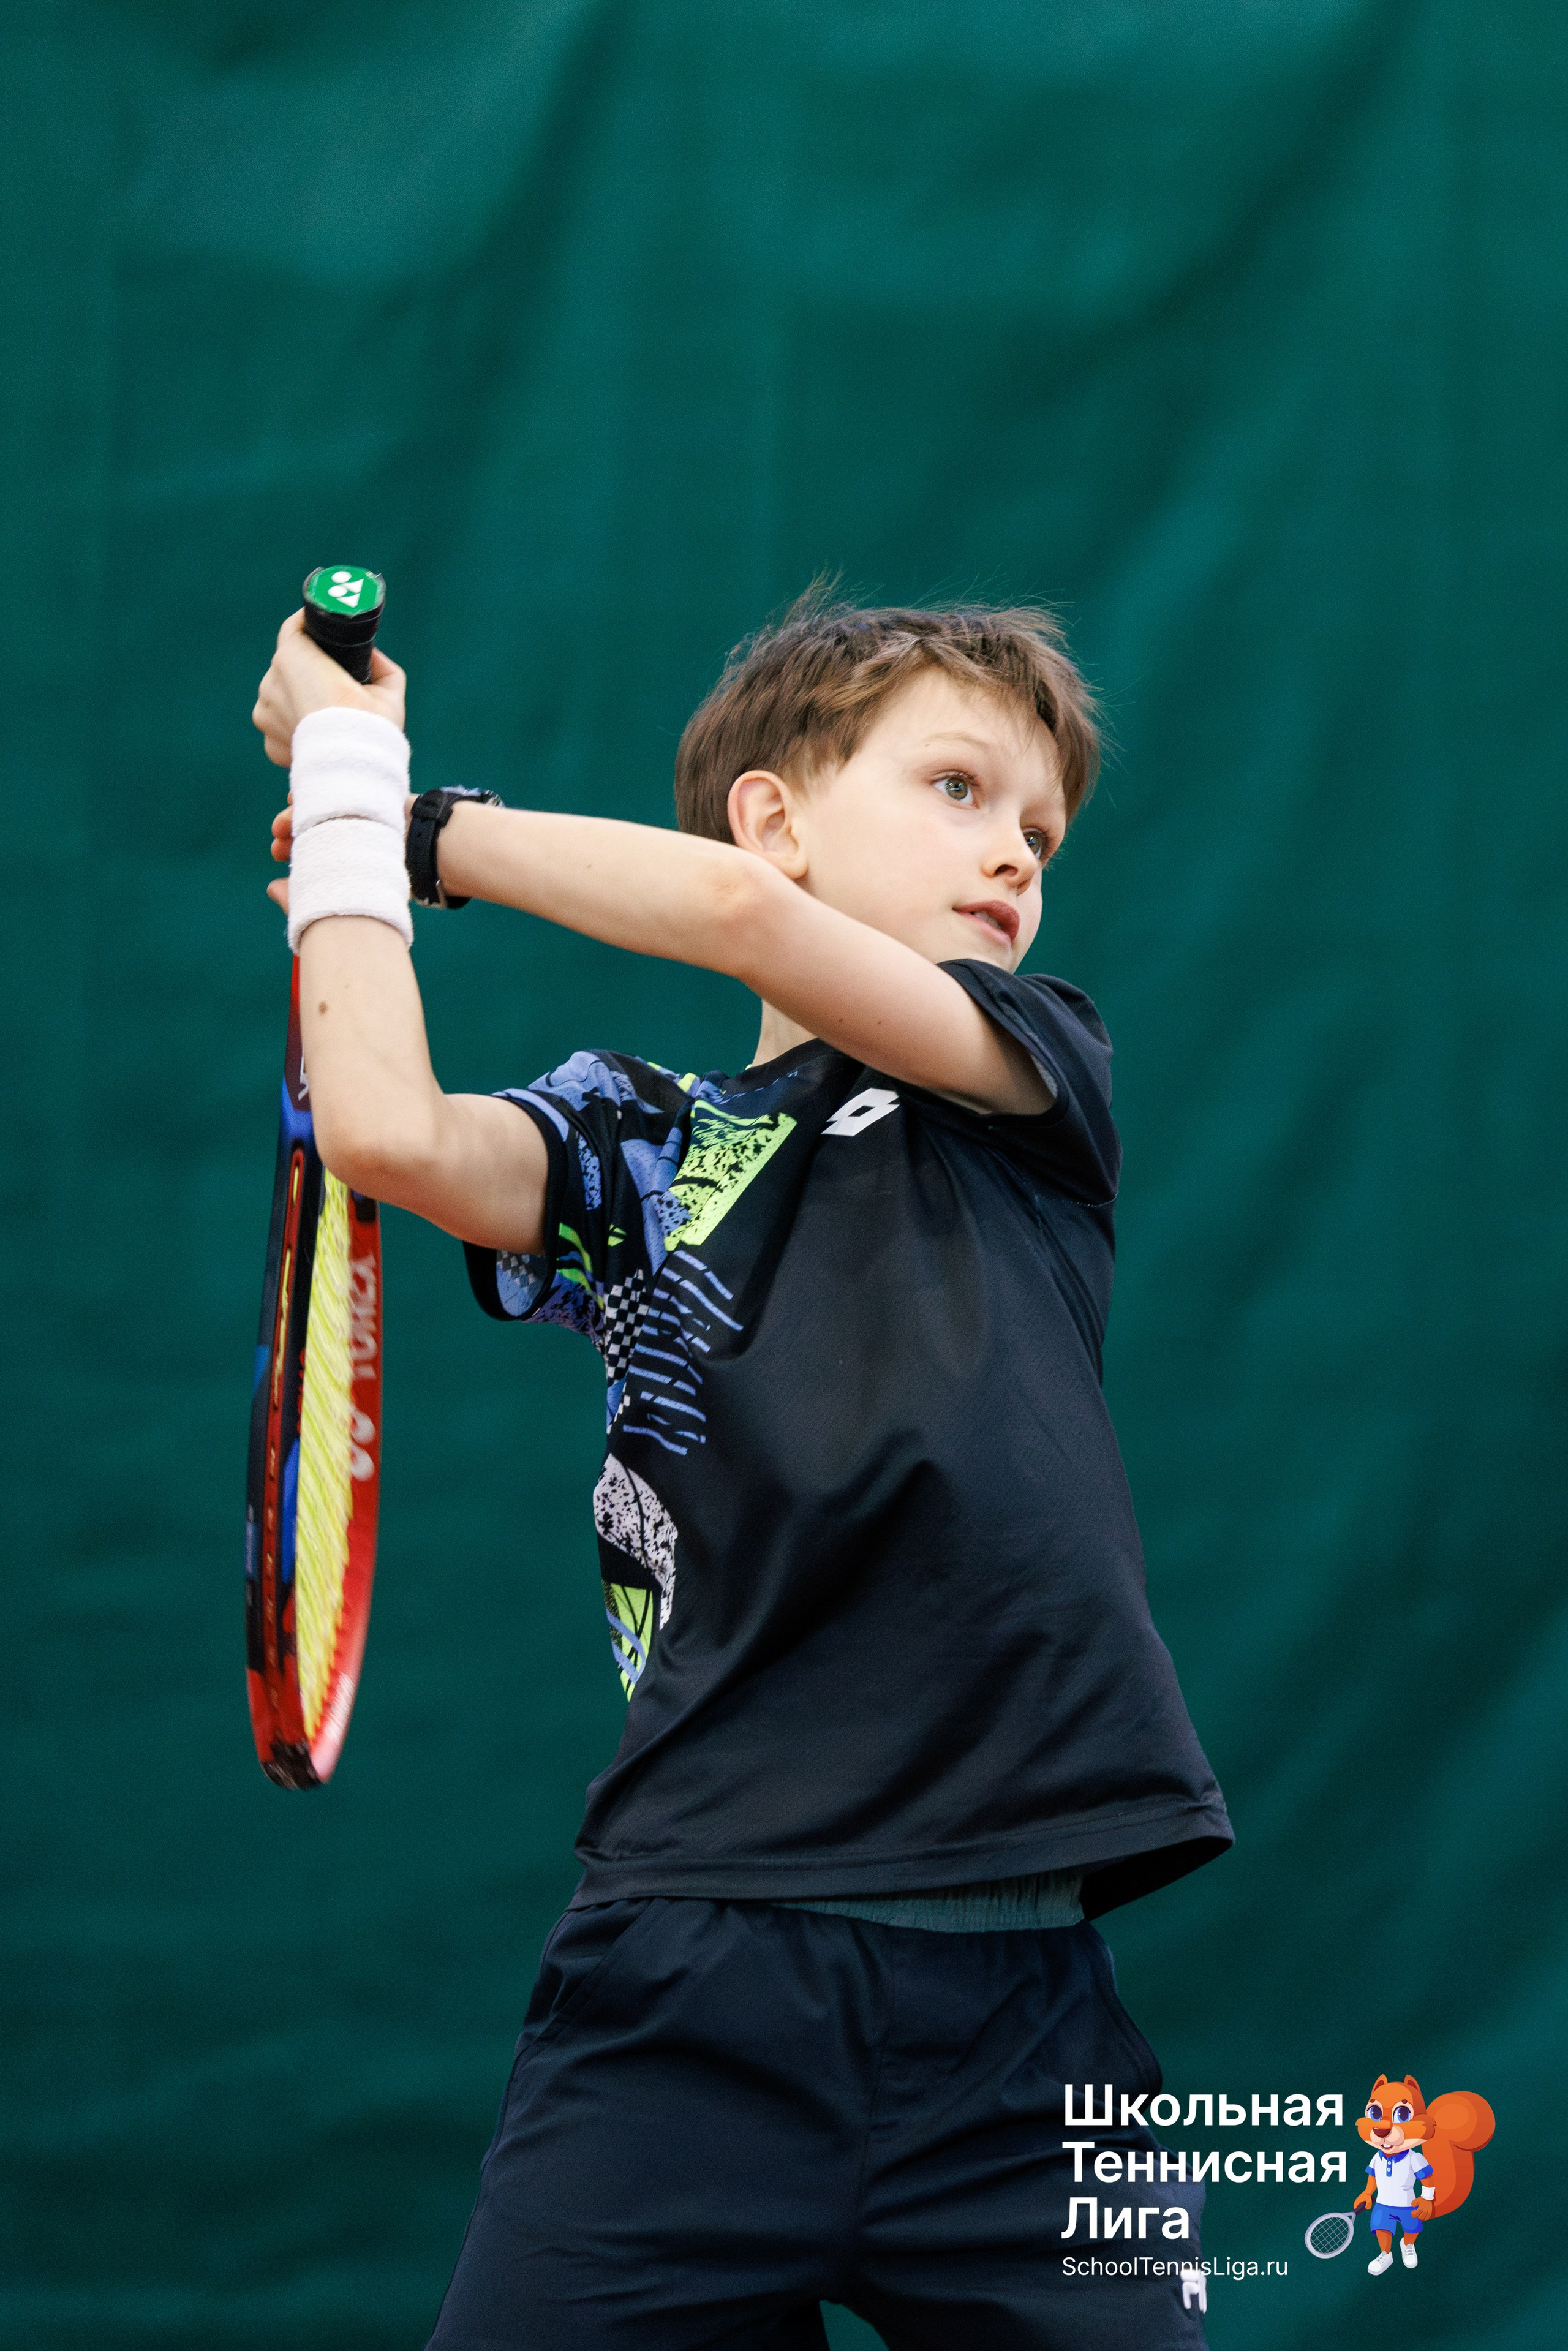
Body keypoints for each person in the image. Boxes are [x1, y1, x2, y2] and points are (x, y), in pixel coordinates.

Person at [254, 592, 1232, 2350]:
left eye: (1039, 831)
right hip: (685, 1997)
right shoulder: (637, 1141)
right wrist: (342, 808)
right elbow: (387, 1129)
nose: (1013, 851)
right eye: (957, 787)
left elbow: (721, 914)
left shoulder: (1035, 1072)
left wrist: (401, 817)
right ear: (776, 814)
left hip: (1022, 2029)